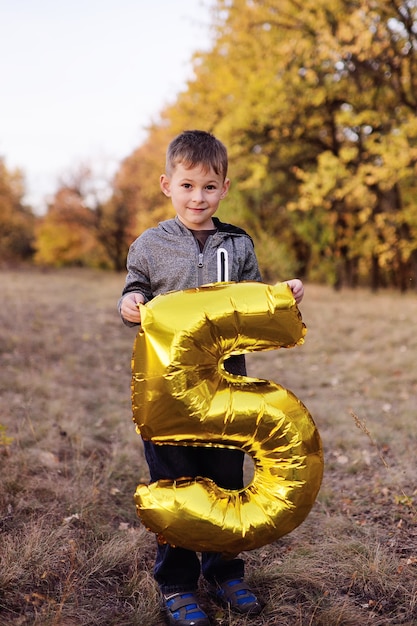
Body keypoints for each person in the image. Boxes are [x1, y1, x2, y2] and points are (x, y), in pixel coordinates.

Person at [119, 130, 304, 626]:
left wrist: (282, 294)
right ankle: (177, 584)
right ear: (167, 185)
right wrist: (129, 304)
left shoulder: (237, 242)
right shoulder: (150, 245)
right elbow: (133, 289)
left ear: (224, 188)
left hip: (226, 389)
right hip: (168, 394)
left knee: (226, 480)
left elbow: (251, 299)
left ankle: (225, 573)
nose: (197, 197)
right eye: (187, 186)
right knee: (177, 483)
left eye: (208, 187)